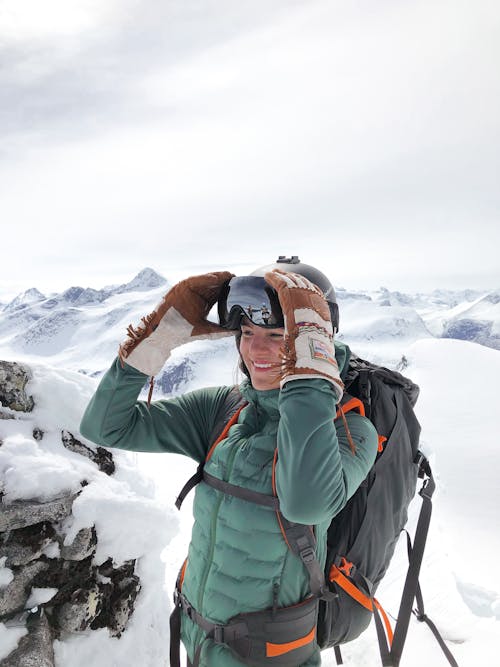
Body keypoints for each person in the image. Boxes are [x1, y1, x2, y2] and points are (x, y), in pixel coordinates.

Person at [80, 256, 378, 667]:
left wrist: (309, 373)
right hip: (197, 641)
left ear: (315, 342)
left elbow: (305, 504)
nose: (256, 348)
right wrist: (159, 337)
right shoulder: (225, 410)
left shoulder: (350, 431)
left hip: (272, 656)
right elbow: (106, 426)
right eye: (247, 332)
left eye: (277, 335)